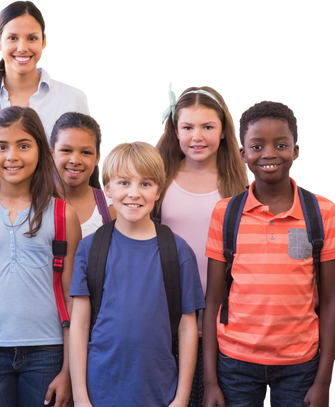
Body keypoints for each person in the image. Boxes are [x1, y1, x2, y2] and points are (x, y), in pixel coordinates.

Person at [203, 98, 335, 407]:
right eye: (257, 146)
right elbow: (212, 302)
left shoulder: (323, 211)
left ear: (297, 151)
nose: (269, 154)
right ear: (243, 154)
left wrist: (324, 381)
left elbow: (329, 302)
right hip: (235, 363)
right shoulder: (225, 214)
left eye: (280, 145)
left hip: (300, 366)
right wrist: (210, 382)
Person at [0, 106, 81, 407]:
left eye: (23, 145)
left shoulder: (63, 215)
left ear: (40, 149)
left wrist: (69, 369)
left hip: (48, 352)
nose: (12, 156)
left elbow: (72, 295)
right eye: (1, 147)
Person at [69, 139, 205, 406]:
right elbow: (80, 326)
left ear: (158, 190)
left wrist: (181, 398)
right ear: (106, 187)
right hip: (99, 393)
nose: (134, 193)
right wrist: (80, 396)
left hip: (159, 393)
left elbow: (188, 327)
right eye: (124, 182)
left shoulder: (177, 251)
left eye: (145, 184)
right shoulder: (90, 249)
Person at [155, 80, 251, 406]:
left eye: (207, 126)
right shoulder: (160, 178)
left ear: (224, 130)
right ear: (175, 129)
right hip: (168, 315)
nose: (197, 137)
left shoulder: (241, 183)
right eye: (188, 127)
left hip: (227, 318)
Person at [0, 0, 92, 162]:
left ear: (45, 41)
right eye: (13, 38)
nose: (22, 47)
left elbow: (87, 160)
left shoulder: (73, 98)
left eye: (32, 38)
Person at [50, 112, 115, 237]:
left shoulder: (112, 207)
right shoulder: (35, 205)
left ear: (97, 158)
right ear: (51, 154)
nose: (75, 160)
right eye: (66, 150)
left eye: (86, 152)